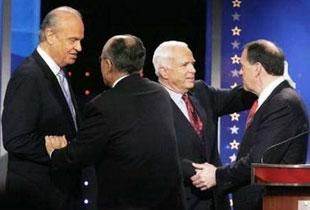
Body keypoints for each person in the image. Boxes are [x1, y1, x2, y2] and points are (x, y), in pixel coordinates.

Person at [45, 34, 186, 210]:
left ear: (108, 64)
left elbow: (79, 155)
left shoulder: (104, 106)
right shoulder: (160, 94)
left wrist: (56, 153)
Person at [191, 39, 309, 210]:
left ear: (257, 69)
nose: (240, 72)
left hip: (270, 203)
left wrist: (217, 175)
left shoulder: (283, 103)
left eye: (242, 66)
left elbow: (259, 161)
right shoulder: (275, 99)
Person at [152, 40, 256, 210]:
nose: (192, 70)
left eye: (192, 64)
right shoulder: (150, 105)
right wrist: (193, 171)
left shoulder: (201, 92)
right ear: (164, 72)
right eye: (184, 65)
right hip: (180, 201)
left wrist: (267, 81)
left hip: (216, 202)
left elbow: (238, 98)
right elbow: (152, 155)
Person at [2, 6, 84, 210]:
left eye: (80, 40)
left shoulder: (59, 73)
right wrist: (55, 151)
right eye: (73, 40)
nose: (79, 47)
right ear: (50, 36)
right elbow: (14, 138)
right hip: (38, 197)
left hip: (60, 193)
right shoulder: (29, 76)